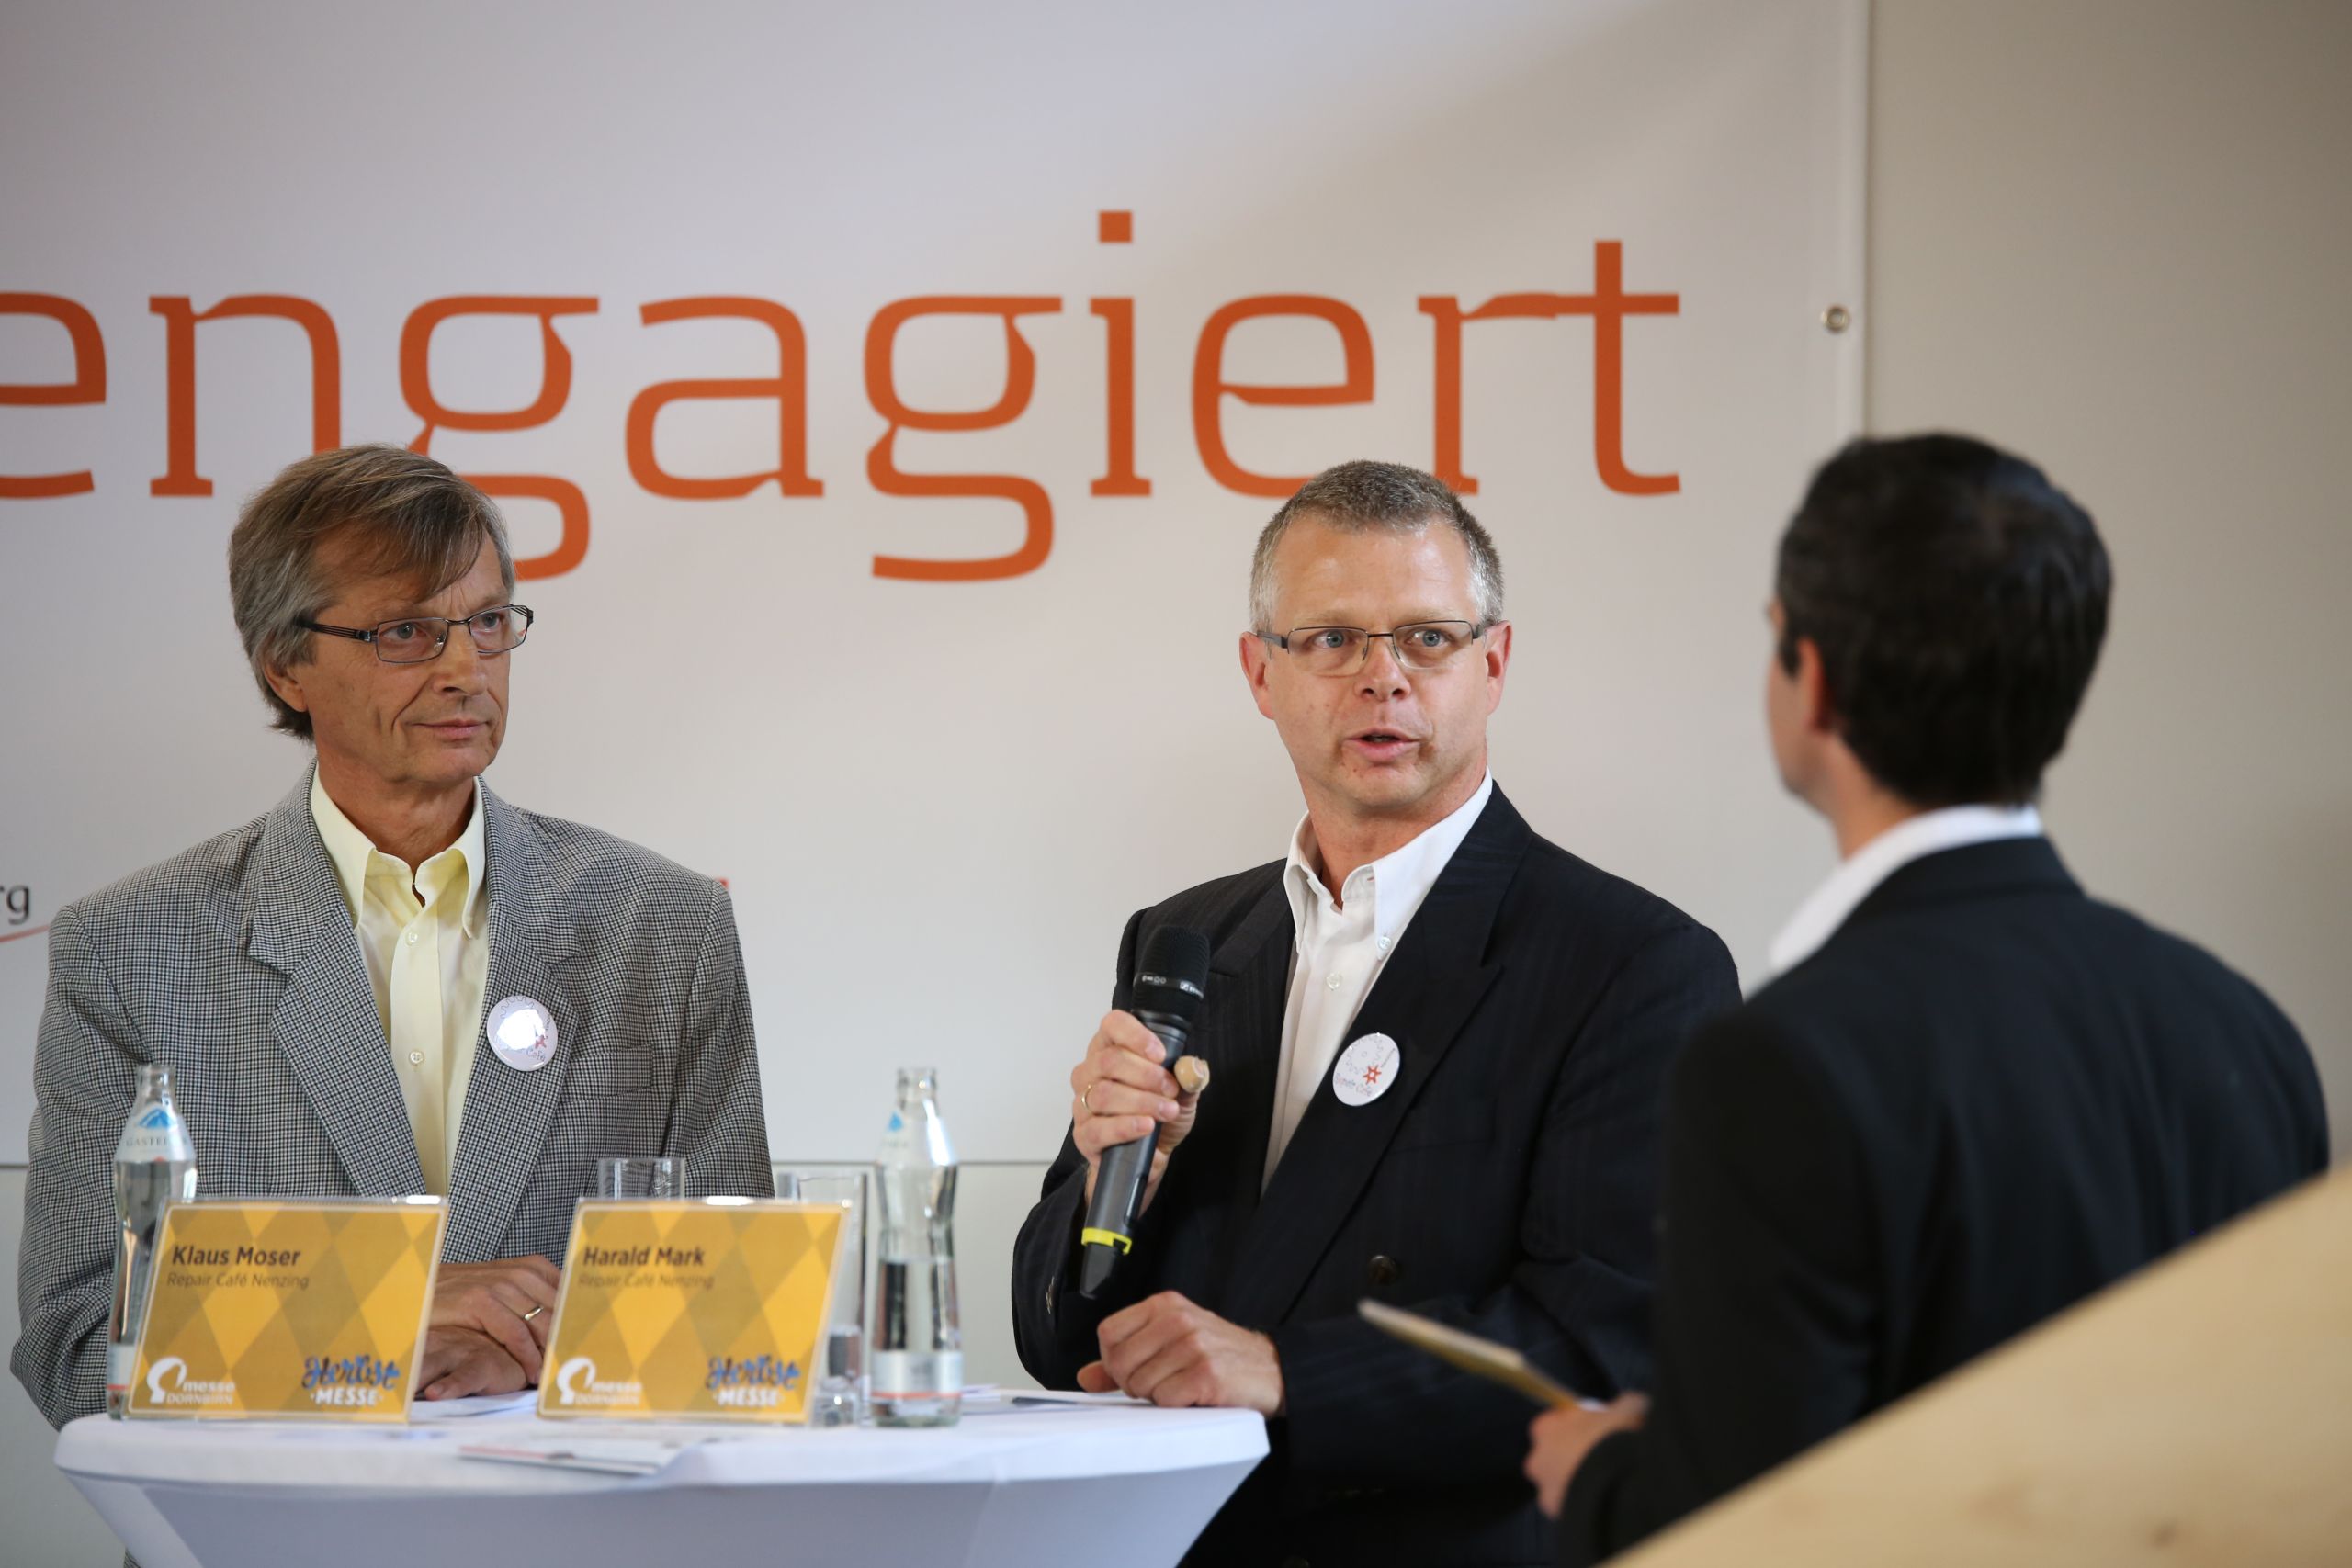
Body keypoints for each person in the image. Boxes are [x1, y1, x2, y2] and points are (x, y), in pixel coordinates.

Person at [1526, 434, 2331, 1562]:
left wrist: (1600, 1473)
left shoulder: (1775, 1065)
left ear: (1812, 681)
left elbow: (1740, 1534)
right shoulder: (2246, 1026)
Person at [1011, 459, 1739, 1566]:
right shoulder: (1184, 942)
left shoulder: (1633, 964)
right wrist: (1125, 1182)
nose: (1382, 678)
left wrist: (1289, 1371)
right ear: (1261, 673)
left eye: (1427, 639)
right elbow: (1053, 1336)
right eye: (1331, 639)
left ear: (1494, 664)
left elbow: (1610, 1345)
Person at [14, 444, 772, 1426]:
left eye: (488, 623)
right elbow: (77, 1350)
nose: (465, 670)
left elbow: (738, 1327)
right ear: (285, 664)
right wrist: (392, 1315)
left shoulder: (664, 927)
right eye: (407, 632)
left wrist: (521, 1352)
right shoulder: (130, 950)